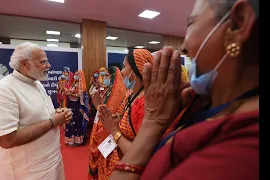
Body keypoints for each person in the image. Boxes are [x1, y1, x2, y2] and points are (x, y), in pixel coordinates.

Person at [110, 0, 259, 179]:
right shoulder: (201, 102)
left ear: (238, 24)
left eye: (191, 23)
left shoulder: (242, 151)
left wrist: (153, 121)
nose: (184, 47)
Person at [97, 49, 190, 180]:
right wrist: (118, 119)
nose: (121, 72)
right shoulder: (130, 95)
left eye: (124, 66)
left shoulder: (146, 103)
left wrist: (114, 131)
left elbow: (142, 154)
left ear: (136, 70)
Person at [0, 42, 73, 180]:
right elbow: (7, 139)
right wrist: (52, 121)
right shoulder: (4, 90)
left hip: (51, 163)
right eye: (43, 62)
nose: (49, 66)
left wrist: (58, 113)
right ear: (24, 64)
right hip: (27, 172)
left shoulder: (36, 83)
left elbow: (39, 115)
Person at [88, 66, 127, 180]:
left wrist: (98, 106)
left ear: (114, 77)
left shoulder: (119, 94)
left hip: (108, 134)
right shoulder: (108, 90)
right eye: (103, 75)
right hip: (100, 126)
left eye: (107, 76)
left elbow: (109, 116)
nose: (104, 78)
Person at [65, 70, 90, 146]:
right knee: (70, 122)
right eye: (75, 74)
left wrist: (70, 94)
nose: (75, 76)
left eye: (77, 75)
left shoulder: (81, 85)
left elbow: (79, 95)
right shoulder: (73, 83)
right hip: (71, 105)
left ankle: (77, 140)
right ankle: (70, 139)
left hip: (77, 107)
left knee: (76, 123)